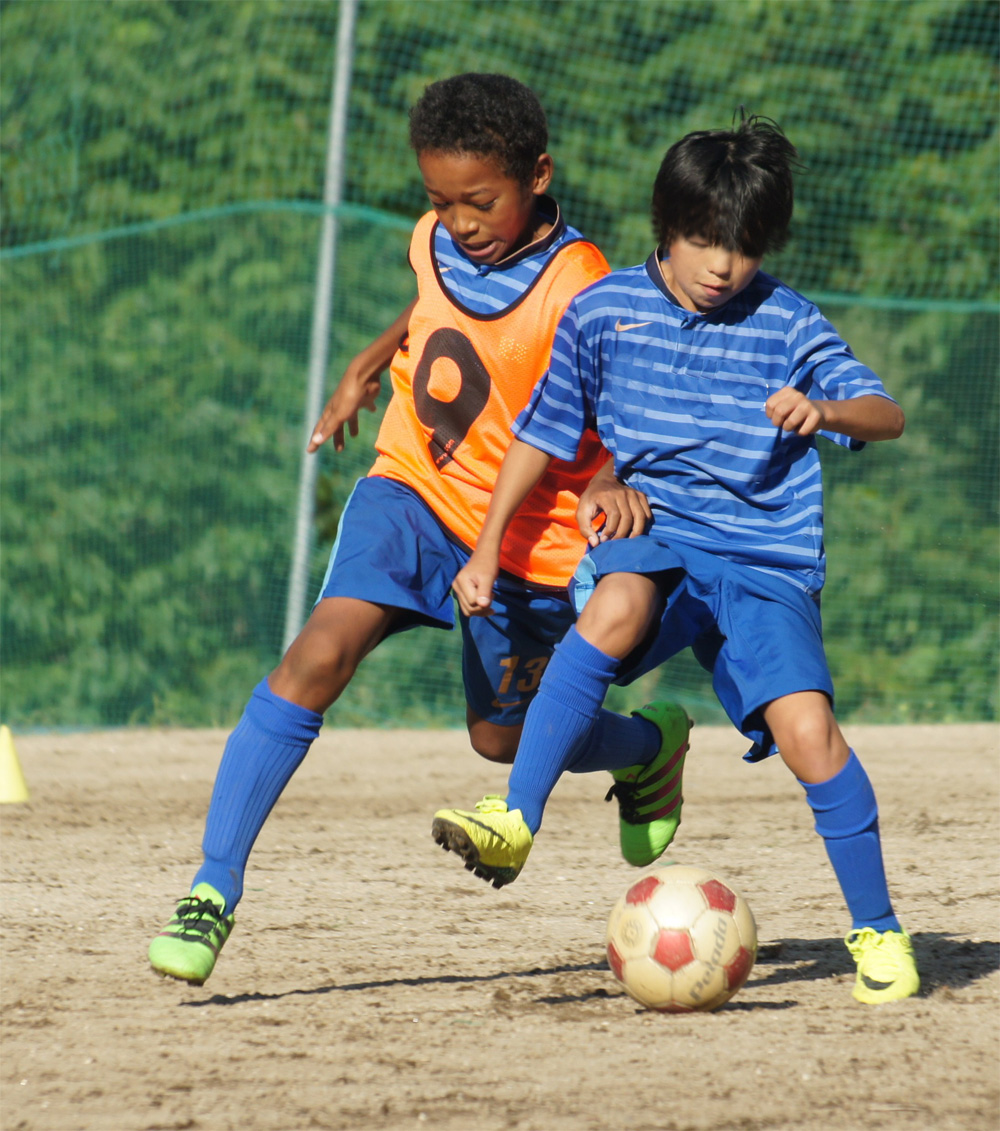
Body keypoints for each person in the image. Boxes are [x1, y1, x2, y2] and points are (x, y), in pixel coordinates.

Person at [147, 73, 679, 986]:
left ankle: (647, 747)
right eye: (441, 200)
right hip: (414, 491)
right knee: (316, 656)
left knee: (503, 742)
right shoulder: (433, 237)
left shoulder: (582, 283)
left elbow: (627, 401)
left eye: (482, 201)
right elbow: (434, 303)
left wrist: (608, 471)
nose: (460, 221)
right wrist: (369, 360)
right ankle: (212, 885)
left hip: (528, 539)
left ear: (539, 175)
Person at [433, 113, 920, 1005]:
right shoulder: (604, 312)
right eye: (704, 240)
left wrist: (828, 410)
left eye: (743, 246)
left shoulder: (788, 322)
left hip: (764, 562)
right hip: (658, 538)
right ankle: (514, 817)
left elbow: (884, 411)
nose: (722, 266)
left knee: (811, 736)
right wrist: (488, 545)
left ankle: (881, 932)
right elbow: (542, 437)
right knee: (611, 609)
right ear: (667, 224)